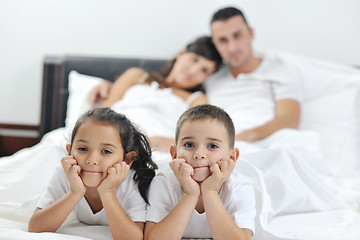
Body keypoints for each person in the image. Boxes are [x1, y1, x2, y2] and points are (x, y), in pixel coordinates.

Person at [28, 107, 158, 240]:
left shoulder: (133, 182)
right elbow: (35, 228)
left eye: (106, 151)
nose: (91, 160)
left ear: (127, 159)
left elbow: (133, 238)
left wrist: (108, 192)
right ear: (69, 151)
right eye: (82, 149)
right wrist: (75, 192)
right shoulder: (65, 173)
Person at [88, 36, 222, 152]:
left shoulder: (196, 99)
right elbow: (103, 109)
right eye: (194, 59)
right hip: (111, 135)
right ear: (181, 53)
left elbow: (198, 137)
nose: (193, 71)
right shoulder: (137, 76)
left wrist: (159, 143)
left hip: (152, 147)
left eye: (204, 70)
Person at [144, 104, 256, 240]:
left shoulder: (239, 187)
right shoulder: (163, 183)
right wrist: (190, 194)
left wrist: (210, 192)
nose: (199, 154)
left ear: (231, 157)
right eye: (189, 145)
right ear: (174, 154)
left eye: (212, 146)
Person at [206, 6, 302, 142]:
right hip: (219, 152)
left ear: (251, 33)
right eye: (223, 40)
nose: (232, 48)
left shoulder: (278, 69)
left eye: (237, 35)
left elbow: (289, 119)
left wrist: (241, 139)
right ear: (214, 43)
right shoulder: (209, 75)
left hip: (267, 143)